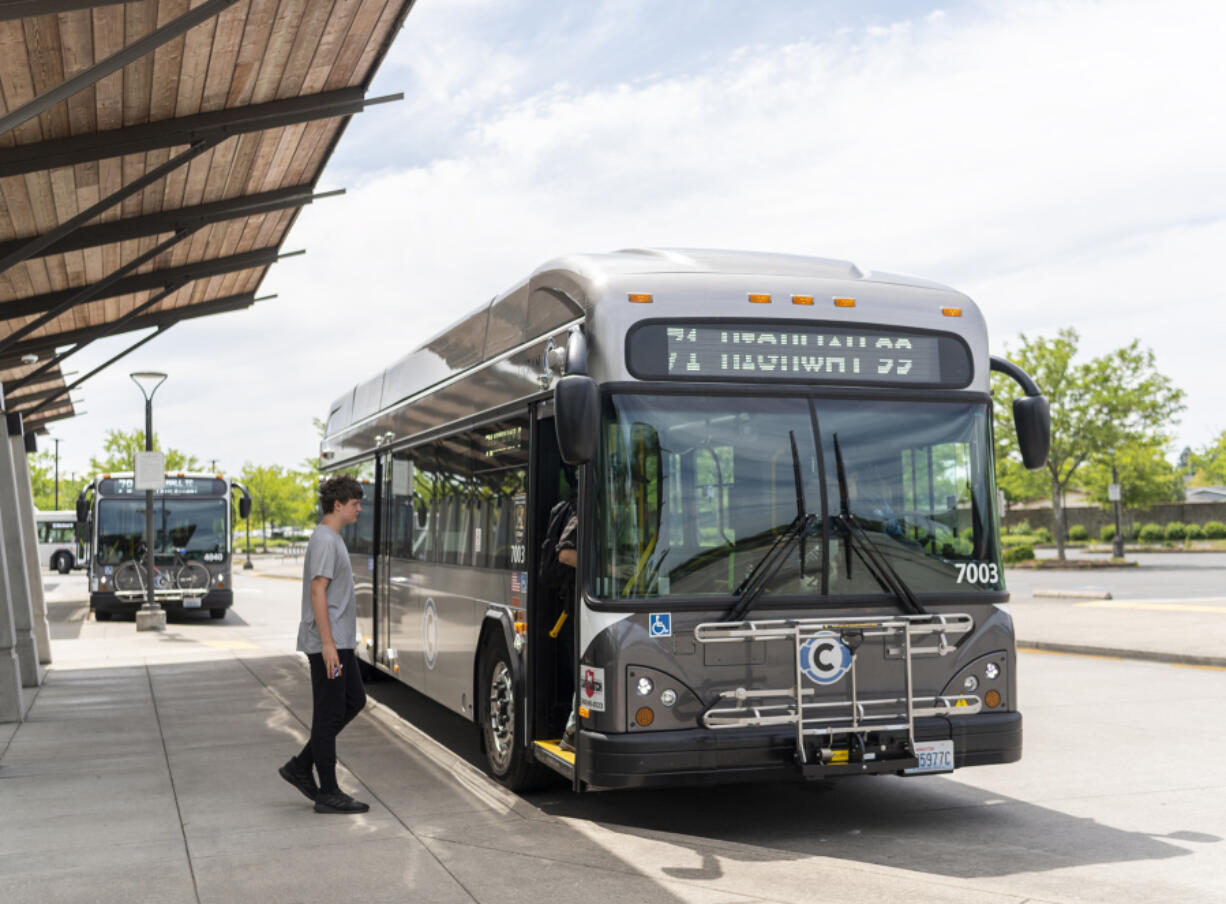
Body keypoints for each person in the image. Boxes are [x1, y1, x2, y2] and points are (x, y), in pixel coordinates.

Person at [278, 475, 370, 814]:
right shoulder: (325, 541)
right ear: (338, 505)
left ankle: (301, 766)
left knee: (354, 700)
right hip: (328, 642)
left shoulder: (332, 539)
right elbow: (318, 591)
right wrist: (328, 645)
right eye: (355, 503)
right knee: (329, 714)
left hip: (339, 640)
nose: (359, 508)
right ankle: (328, 790)